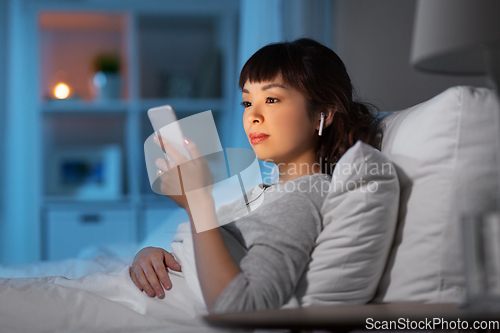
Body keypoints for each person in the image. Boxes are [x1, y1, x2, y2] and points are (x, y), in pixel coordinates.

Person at [129, 37, 382, 314]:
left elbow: (240, 308)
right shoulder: (267, 190)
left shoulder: (302, 197)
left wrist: (197, 200)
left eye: (271, 99)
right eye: (247, 103)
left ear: (324, 112)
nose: (253, 116)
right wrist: (152, 257)